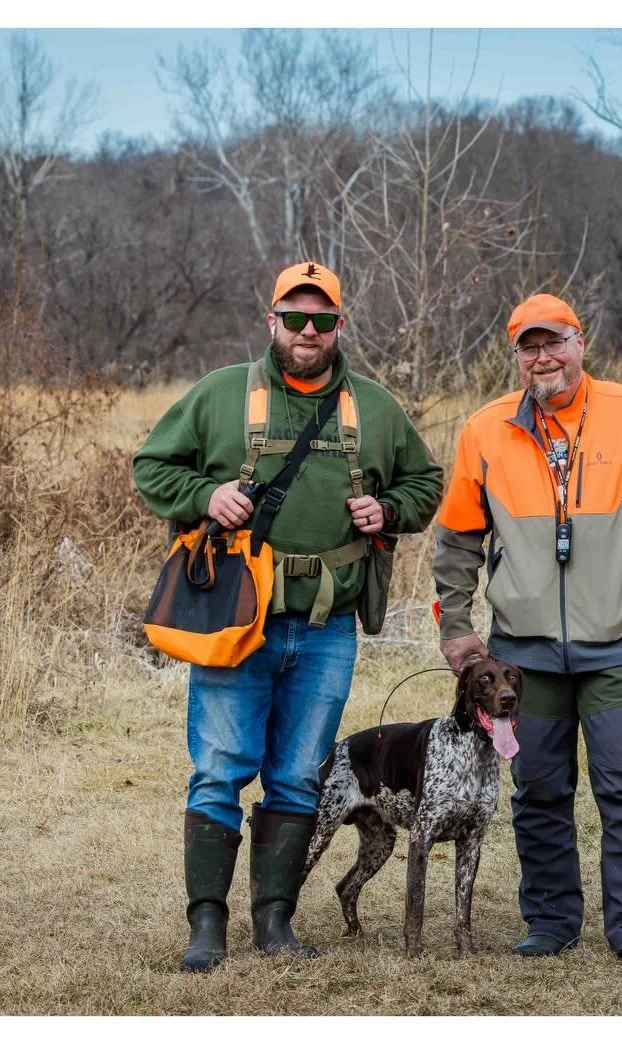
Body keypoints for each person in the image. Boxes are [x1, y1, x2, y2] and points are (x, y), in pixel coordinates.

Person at [133, 261, 444, 972]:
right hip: (236, 623)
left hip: (328, 630)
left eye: (323, 319)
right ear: (270, 320)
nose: (309, 332)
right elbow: (151, 467)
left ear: (340, 325)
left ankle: (275, 922)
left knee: (300, 776)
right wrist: (207, 496)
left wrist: (389, 509)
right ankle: (206, 928)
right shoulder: (220, 395)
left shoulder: (374, 406)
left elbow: (425, 483)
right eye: (295, 318)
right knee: (218, 771)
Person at [431, 292, 622, 965]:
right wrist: (457, 624)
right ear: (516, 355)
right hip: (523, 655)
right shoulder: (484, 430)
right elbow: (457, 540)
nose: (542, 356)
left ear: (580, 342)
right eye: (528, 345)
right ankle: (550, 922)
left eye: (554, 341)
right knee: (539, 790)